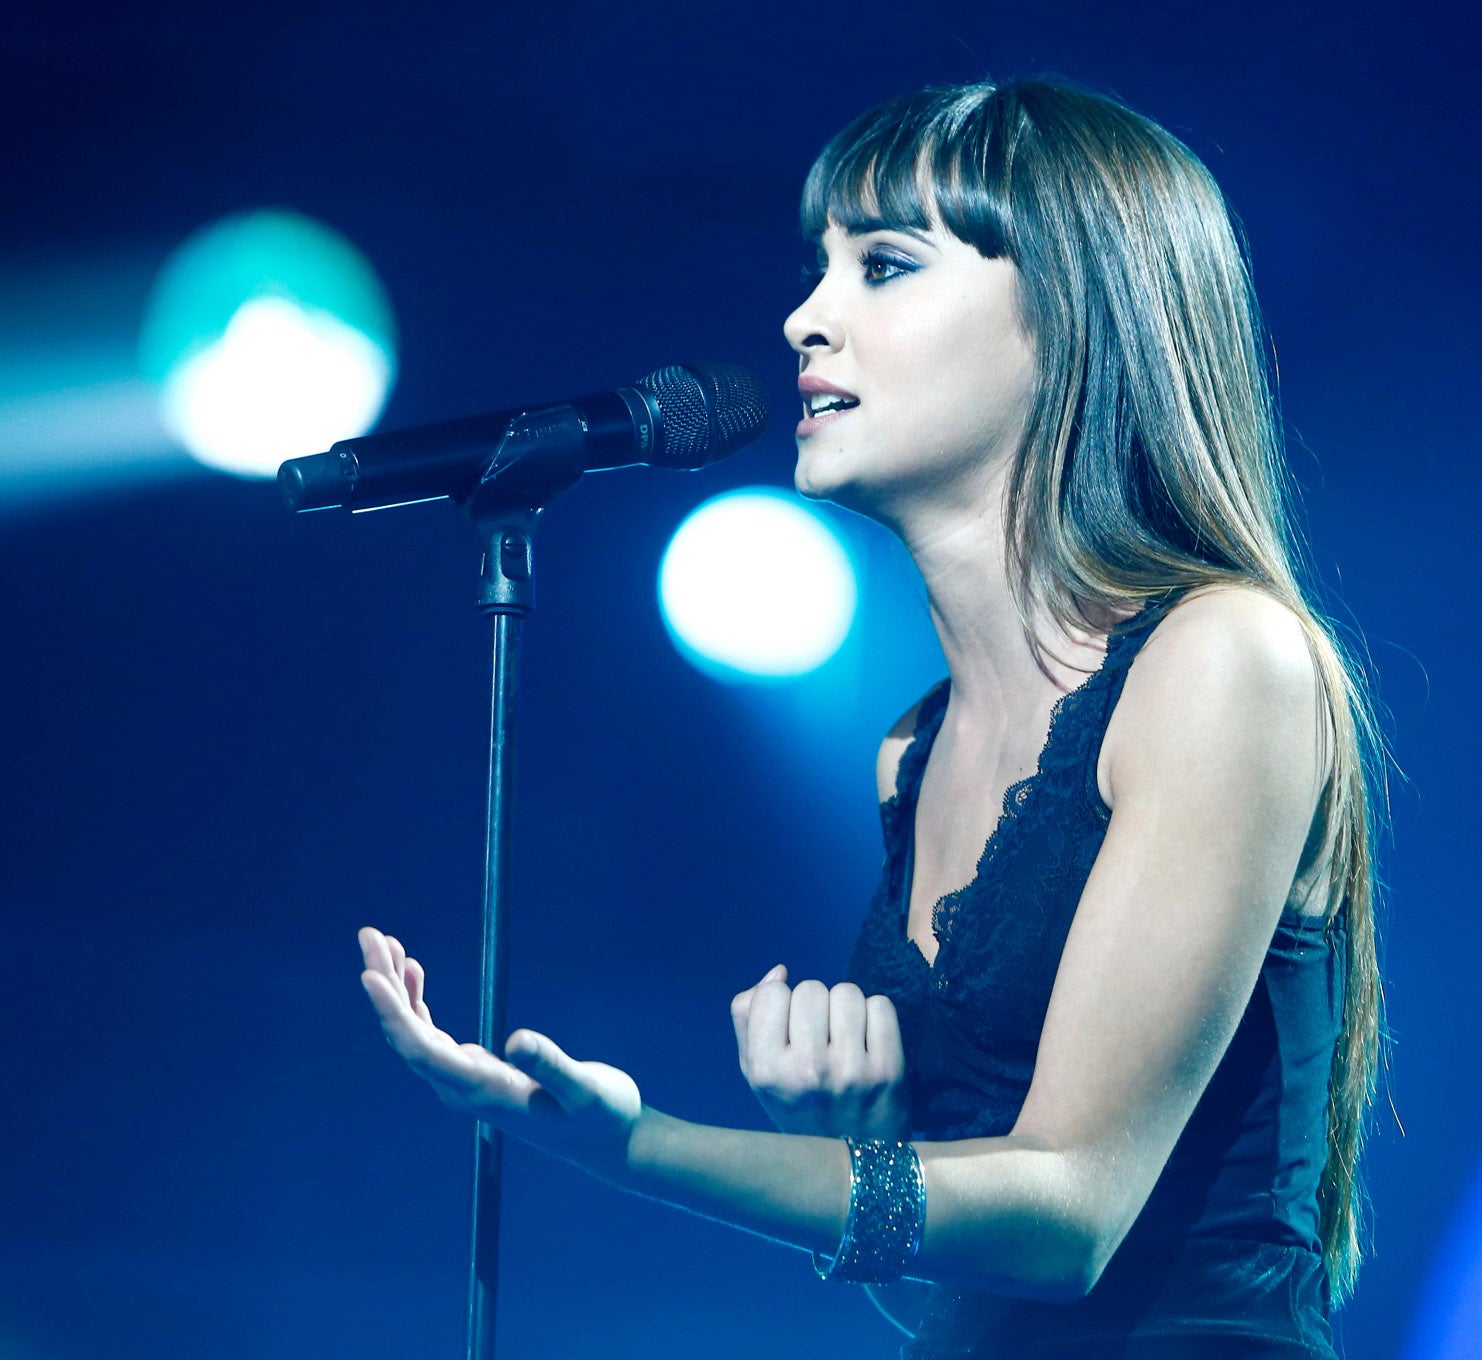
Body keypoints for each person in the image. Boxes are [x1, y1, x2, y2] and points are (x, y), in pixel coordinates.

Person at [358, 77, 1385, 1359]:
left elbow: (1069, 1215)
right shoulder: (913, 749)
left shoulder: (1222, 659)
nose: (806, 316)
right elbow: (970, 1306)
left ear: (1072, 316)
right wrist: (868, 1146)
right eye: (820, 267)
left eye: (885, 266)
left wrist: (636, 1144)